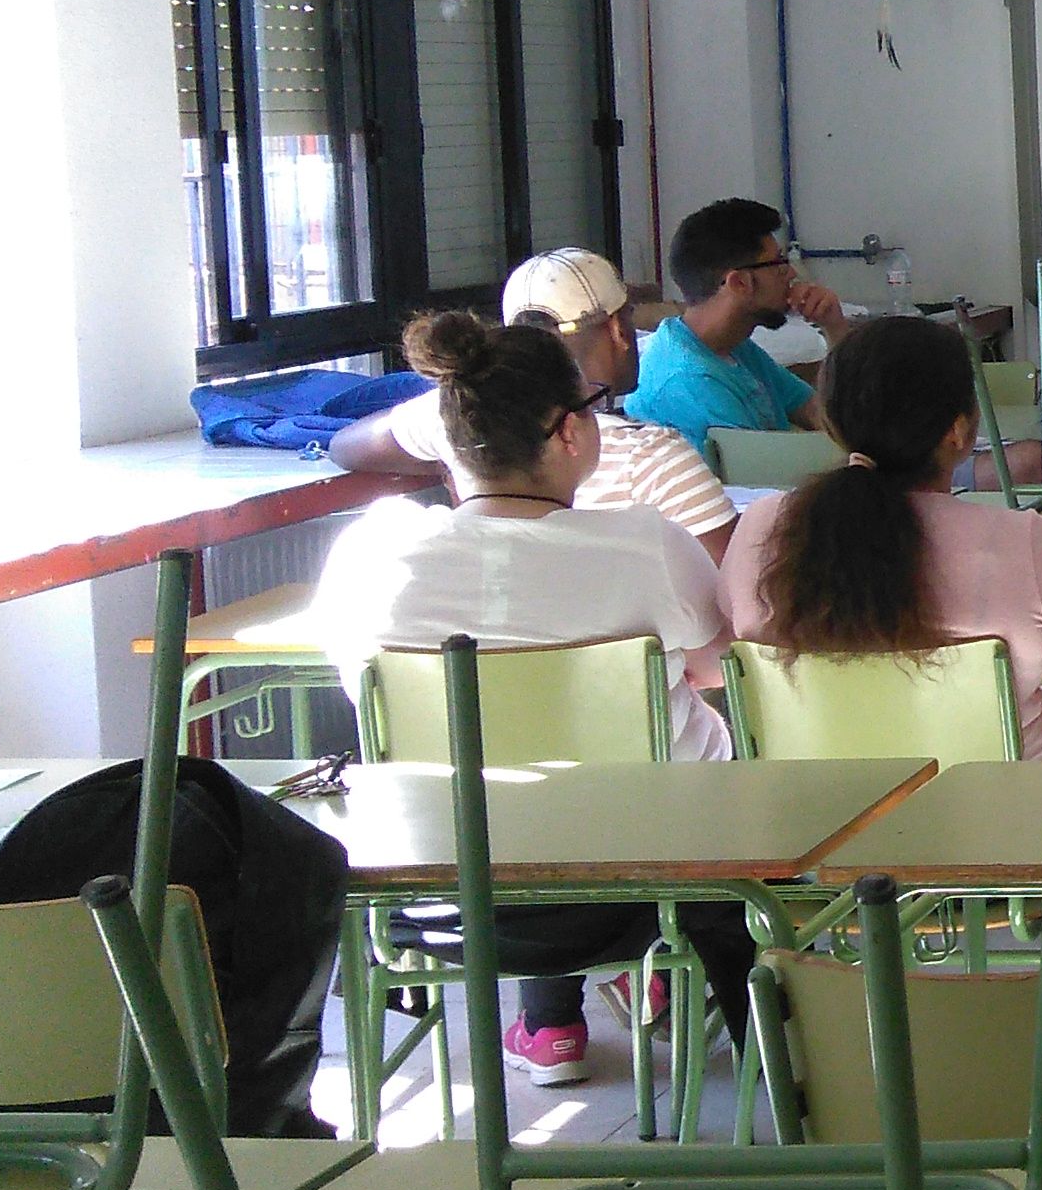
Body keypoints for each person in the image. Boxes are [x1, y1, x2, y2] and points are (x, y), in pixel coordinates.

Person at [305, 311, 747, 1088]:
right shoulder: (646, 546)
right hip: (647, 892)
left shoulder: (371, 552)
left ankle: (549, 1026)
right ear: (571, 432)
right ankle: (779, 1072)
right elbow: (720, 669)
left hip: (435, 898)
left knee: (525, 789)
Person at [723, 315, 1042, 758]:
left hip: (814, 819)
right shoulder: (1028, 542)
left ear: (831, 422)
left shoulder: (760, 528)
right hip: (1001, 818)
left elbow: (728, 678)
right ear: (960, 430)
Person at [329, 246, 735, 556]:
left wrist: (460, 451)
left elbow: (346, 446)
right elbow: (729, 601)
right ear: (618, 330)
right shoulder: (654, 458)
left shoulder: (461, 413)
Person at [626, 197, 846, 447]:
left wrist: (834, 328)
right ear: (739, 283)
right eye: (779, 264)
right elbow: (761, 476)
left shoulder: (732, 346)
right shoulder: (690, 382)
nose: (792, 274)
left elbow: (820, 415)